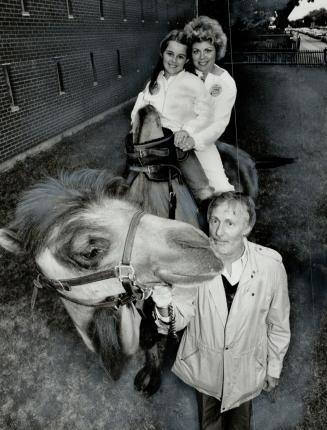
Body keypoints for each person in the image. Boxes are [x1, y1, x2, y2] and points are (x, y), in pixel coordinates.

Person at [152, 192, 291, 429]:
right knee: (210, 425)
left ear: (247, 227)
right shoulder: (194, 263)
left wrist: (274, 366)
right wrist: (164, 305)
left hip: (247, 368)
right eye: (215, 221)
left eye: (229, 223)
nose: (218, 231)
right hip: (206, 367)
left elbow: (278, 323)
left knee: (240, 425)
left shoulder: (270, 267)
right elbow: (179, 319)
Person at [131, 29, 234, 198]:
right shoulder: (153, 83)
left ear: (186, 60)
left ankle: (207, 208)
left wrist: (187, 130)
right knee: (129, 184)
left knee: (204, 191)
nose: (173, 60)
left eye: (180, 57)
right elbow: (138, 111)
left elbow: (206, 114)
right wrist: (138, 128)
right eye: (170, 54)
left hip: (177, 144)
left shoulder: (193, 82)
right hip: (152, 145)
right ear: (162, 53)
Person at [184, 16, 237, 193]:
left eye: (208, 50)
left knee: (221, 190)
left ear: (217, 50)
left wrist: (193, 141)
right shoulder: (186, 74)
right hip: (174, 136)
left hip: (201, 143)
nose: (202, 57)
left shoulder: (225, 84)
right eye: (196, 51)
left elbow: (217, 125)